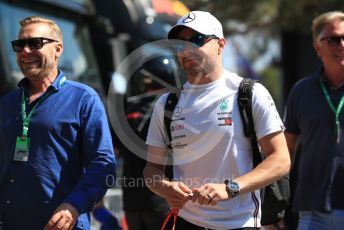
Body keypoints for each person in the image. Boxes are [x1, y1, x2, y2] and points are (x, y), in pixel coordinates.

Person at [143, 10, 290, 230]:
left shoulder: (249, 93)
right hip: (187, 222)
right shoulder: (167, 104)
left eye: (196, 40)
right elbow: (151, 169)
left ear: (221, 45)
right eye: (179, 43)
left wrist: (230, 188)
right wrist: (164, 187)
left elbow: (281, 160)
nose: (186, 49)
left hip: (241, 223)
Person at [0, 16, 116, 230]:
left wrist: (74, 205)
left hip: (60, 225)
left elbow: (103, 164)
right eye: (19, 45)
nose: (25, 51)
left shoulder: (83, 99)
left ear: (58, 49)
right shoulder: (7, 103)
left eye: (35, 43)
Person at [284, 11, 344, 230]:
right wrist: (274, 206)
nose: (342, 44)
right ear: (317, 47)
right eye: (334, 39)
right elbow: (285, 153)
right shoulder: (301, 91)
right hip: (314, 212)